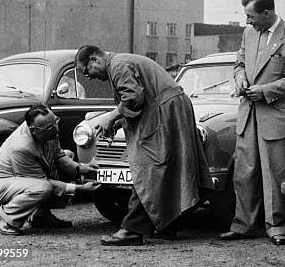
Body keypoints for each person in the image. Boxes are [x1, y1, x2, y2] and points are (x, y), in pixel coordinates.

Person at [75, 45, 214, 246]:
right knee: (166, 168)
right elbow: (140, 98)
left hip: (165, 111)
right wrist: (116, 121)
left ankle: (132, 230)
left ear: (95, 59)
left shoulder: (118, 65)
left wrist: (110, 117)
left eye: (86, 71)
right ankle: (168, 225)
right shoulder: (119, 63)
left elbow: (133, 98)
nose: (88, 77)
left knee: (148, 170)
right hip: (168, 109)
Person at [218, 0, 285, 246]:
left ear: (267, 13)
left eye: (251, 16)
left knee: (275, 175)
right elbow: (239, 64)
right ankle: (243, 225)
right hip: (248, 115)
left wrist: (265, 91)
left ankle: (277, 227)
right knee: (244, 172)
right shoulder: (249, 34)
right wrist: (240, 79)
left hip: (276, 117)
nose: (248, 22)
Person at [0, 104, 100, 236]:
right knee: (42, 188)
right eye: (50, 127)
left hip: (22, 179)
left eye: (56, 121)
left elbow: (59, 155)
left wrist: (81, 169)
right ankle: (4, 218)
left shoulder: (48, 129)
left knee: (68, 154)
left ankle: (41, 216)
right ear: (34, 130)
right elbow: (44, 182)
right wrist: (80, 188)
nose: (55, 128)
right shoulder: (21, 147)